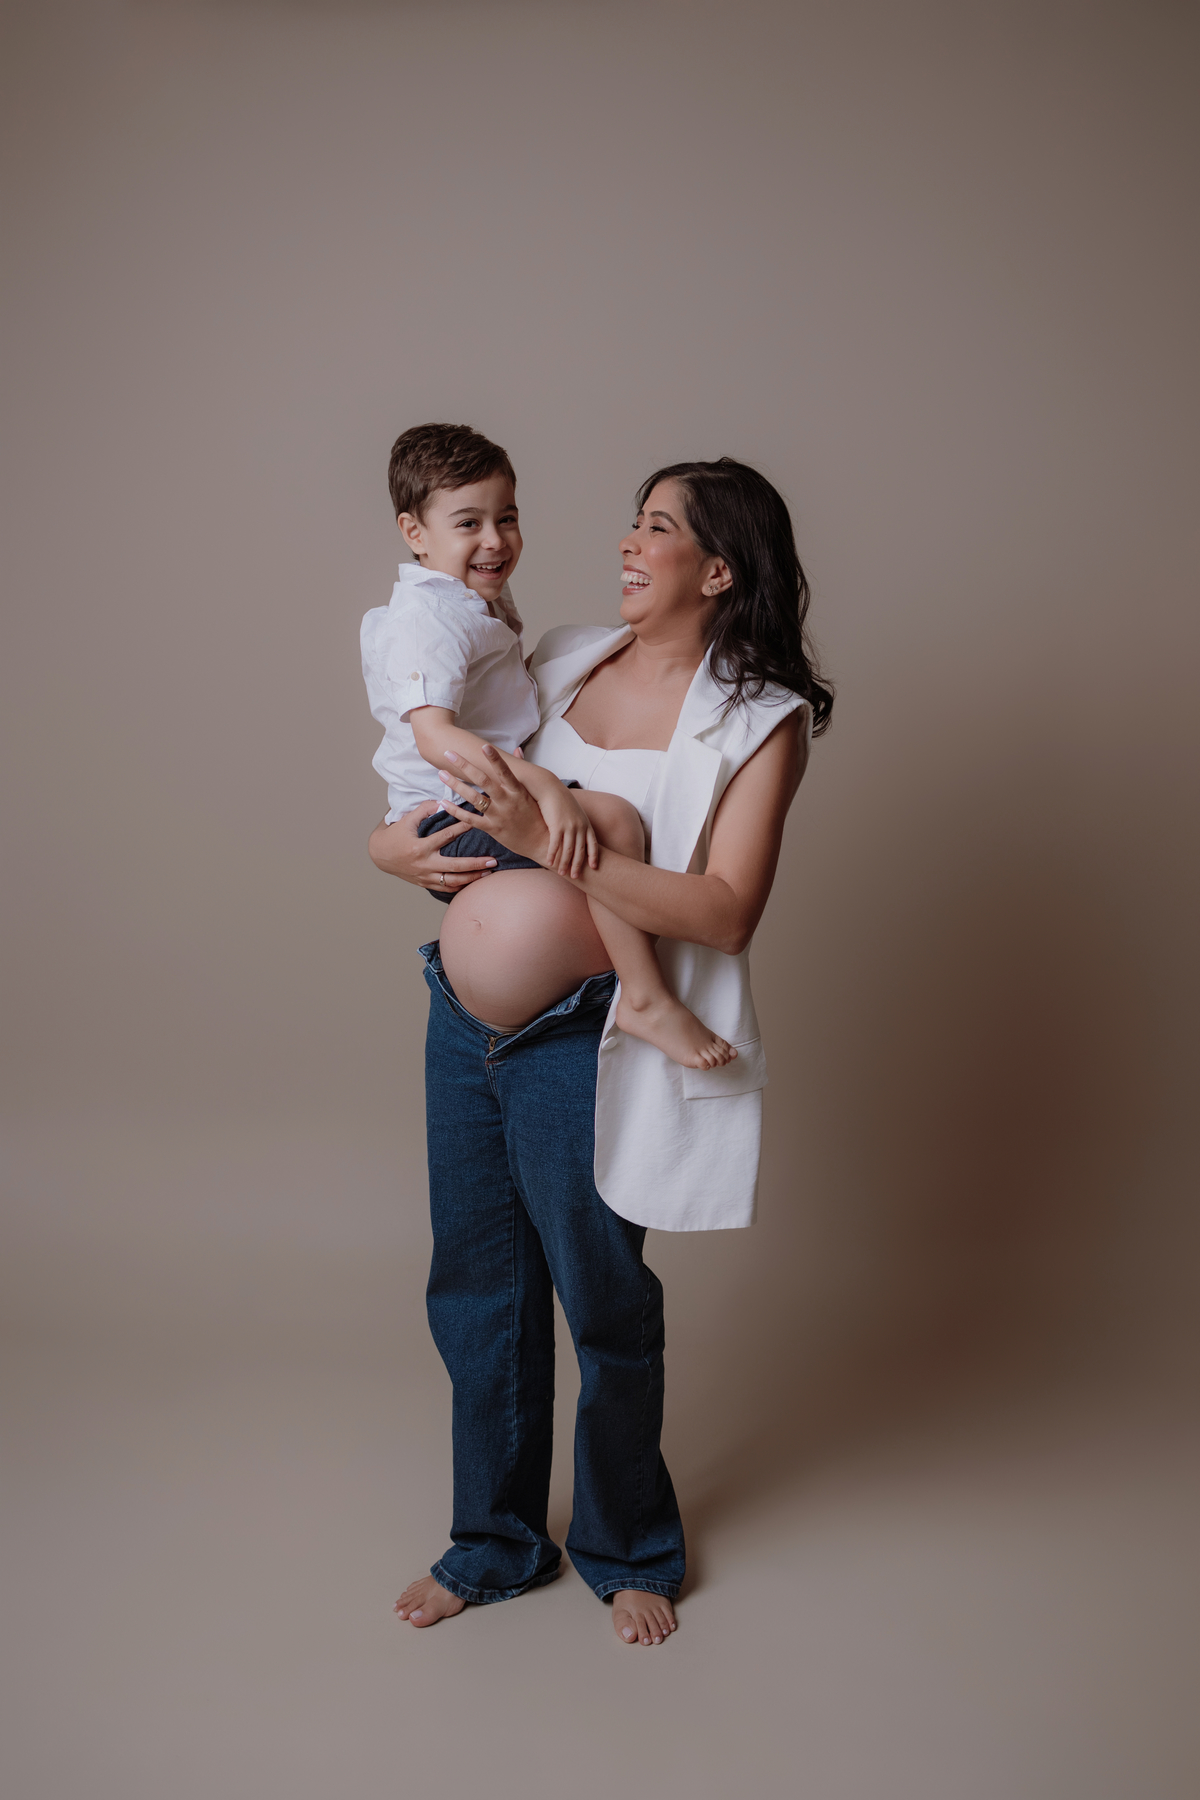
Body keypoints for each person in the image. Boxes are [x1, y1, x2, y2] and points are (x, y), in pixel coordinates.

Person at [369, 457, 833, 1645]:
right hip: (463, 1018)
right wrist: (387, 849)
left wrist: (550, 841)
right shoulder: (563, 656)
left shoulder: (759, 721)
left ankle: (629, 1546)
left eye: (657, 527)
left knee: (605, 1302)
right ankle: (493, 1543)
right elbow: (450, 773)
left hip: (591, 1031)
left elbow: (724, 911)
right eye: (633, 521)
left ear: (716, 570)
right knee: (478, 1292)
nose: (628, 543)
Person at [362, 421, 738, 1071]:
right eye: (468, 523)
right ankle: (645, 996)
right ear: (414, 533)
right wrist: (542, 789)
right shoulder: (431, 618)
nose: (494, 540)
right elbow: (432, 737)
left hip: (538, 989)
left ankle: (638, 996)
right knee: (612, 817)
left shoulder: (471, 601)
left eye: (506, 518)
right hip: (451, 818)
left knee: (598, 826)